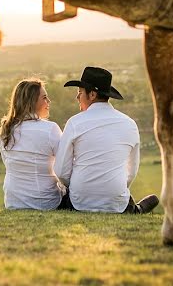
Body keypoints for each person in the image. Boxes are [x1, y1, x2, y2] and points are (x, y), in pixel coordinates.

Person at [54, 66, 159, 214]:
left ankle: (136, 208)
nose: (77, 97)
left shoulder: (74, 122)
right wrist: (110, 190)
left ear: (92, 95)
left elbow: (61, 171)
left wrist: (80, 187)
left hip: (80, 201)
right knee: (134, 202)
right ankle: (137, 209)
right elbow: (131, 172)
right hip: (116, 200)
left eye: (80, 93)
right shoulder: (130, 124)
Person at [0, 78, 64, 210]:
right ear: (32, 101)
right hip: (46, 202)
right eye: (44, 98)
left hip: (13, 202)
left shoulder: (6, 131)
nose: (49, 101)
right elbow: (64, 167)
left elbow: (10, 166)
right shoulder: (50, 129)